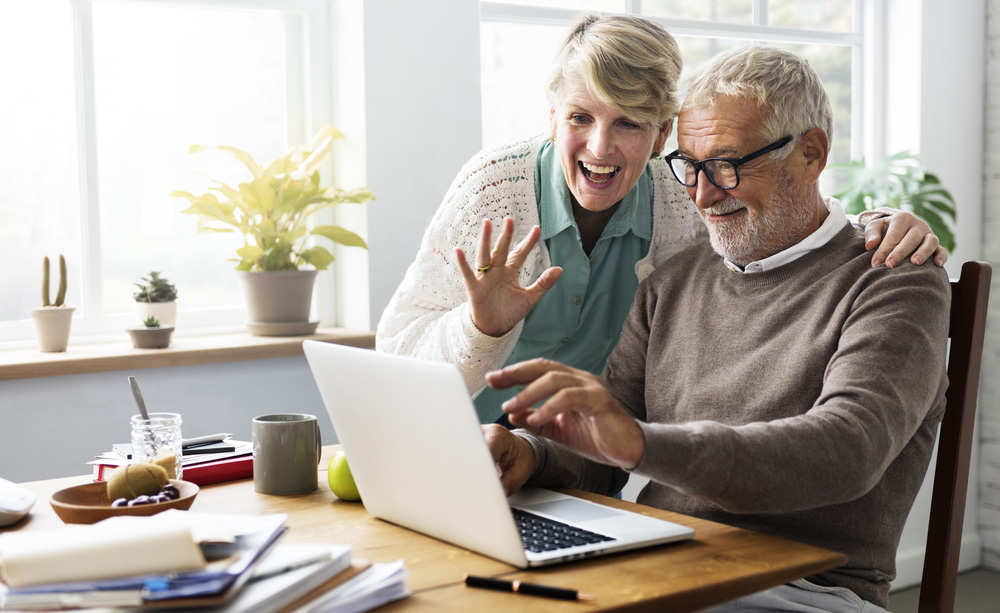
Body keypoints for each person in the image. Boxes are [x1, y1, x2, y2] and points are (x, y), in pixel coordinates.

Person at [483, 45, 950, 612]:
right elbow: (603, 445)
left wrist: (641, 444)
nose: (702, 195)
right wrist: (529, 453)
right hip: (661, 565)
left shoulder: (895, 279)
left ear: (810, 153)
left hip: (803, 591)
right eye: (690, 165)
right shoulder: (671, 282)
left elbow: (848, 450)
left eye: (726, 165)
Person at [376, 13, 945, 426]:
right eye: (579, 117)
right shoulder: (494, 189)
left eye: (628, 123)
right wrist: (480, 328)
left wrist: (880, 222)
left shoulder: (685, 190)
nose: (600, 148)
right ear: (552, 118)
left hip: (575, 464)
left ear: (660, 134)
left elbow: (777, 199)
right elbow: (397, 358)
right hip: (458, 444)